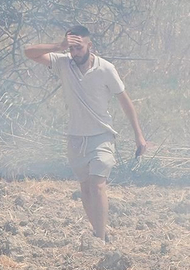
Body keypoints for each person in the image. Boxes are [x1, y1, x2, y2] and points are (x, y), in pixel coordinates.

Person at [26, 25, 148, 243]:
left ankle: (99, 240)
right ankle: (99, 233)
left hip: (102, 135)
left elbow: (125, 102)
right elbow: (29, 53)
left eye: (79, 47)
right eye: (71, 48)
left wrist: (139, 135)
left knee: (97, 184)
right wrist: (59, 46)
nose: (75, 53)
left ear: (89, 45)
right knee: (85, 188)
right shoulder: (63, 63)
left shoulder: (106, 69)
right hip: (76, 137)